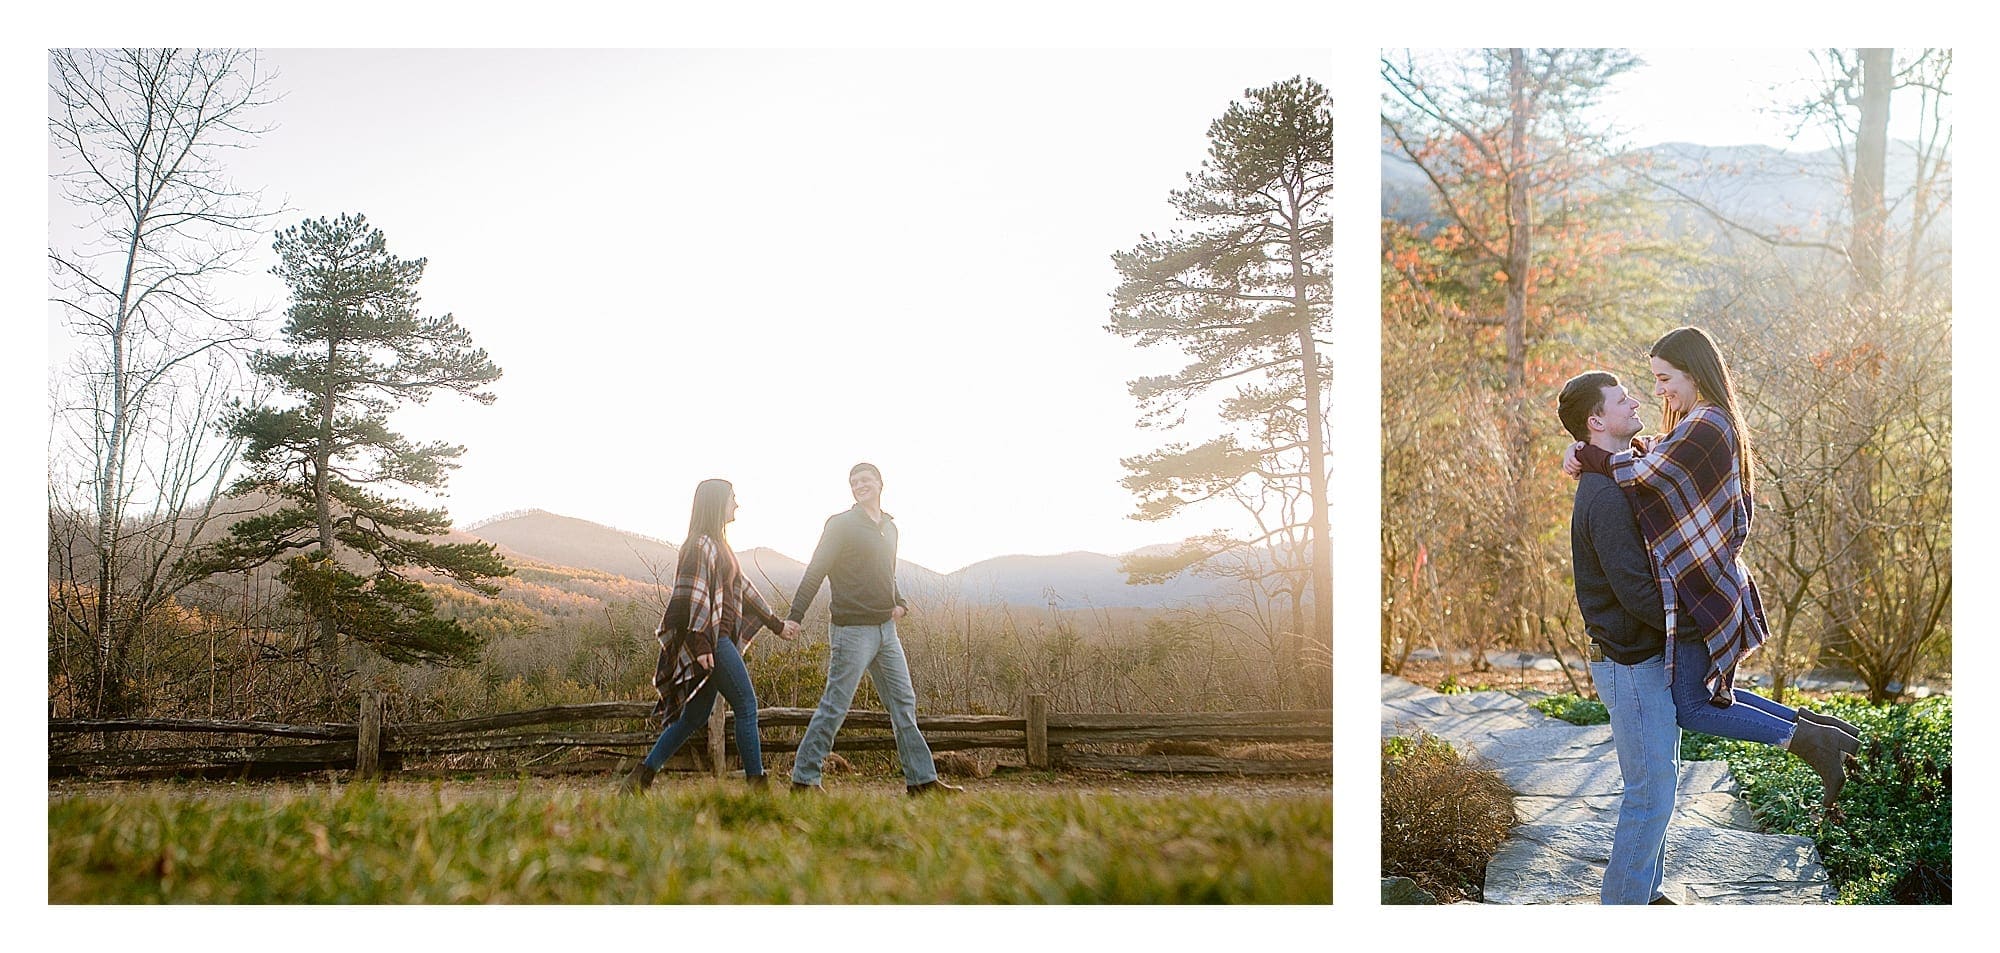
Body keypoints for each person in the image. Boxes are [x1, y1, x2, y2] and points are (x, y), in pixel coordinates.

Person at [1564, 327, 1862, 811]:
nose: (1658, 391)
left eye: (1665, 379)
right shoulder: (1702, 422)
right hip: (1706, 587)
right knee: (1710, 698)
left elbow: (1641, 473)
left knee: (1694, 707)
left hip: (1702, 591)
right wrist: (1588, 452)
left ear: (1693, 372)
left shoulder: (1707, 424)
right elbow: (1656, 456)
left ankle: (1813, 743)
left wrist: (1586, 453)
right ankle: (1823, 735)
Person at [1559, 370, 1680, 905]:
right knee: (1649, 794)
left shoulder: (1617, 473)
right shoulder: (1604, 496)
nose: (1635, 401)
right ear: (1597, 421)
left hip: (1641, 659)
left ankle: (1645, 895)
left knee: (1661, 787)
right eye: (1622, 398)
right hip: (1630, 663)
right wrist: (1693, 625)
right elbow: (1633, 591)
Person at [785, 463, 960, 795]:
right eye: (853, 481)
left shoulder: (890, 528)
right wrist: (795, 616)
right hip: (852, 631)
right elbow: (815, 571)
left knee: (903, 704)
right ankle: (804, 779)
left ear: (881, 483)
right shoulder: (841, 525)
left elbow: (887, 572)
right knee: (835, 705)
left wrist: (900, 601)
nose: (859, 485)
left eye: (865, 479)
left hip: (886, 630)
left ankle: (922, 781)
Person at [621, 479, 794, 793]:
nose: (737, 505)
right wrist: (702, 644)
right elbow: (692, 598)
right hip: (713, 641)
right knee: (746, 705)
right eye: (733, 499)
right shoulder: (700, 545)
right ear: (717, 504)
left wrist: (776, 624)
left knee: (694, 717)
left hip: (716, 638)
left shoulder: (719, 546)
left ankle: (639, 779)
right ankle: (757, 787)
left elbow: (742, 587)